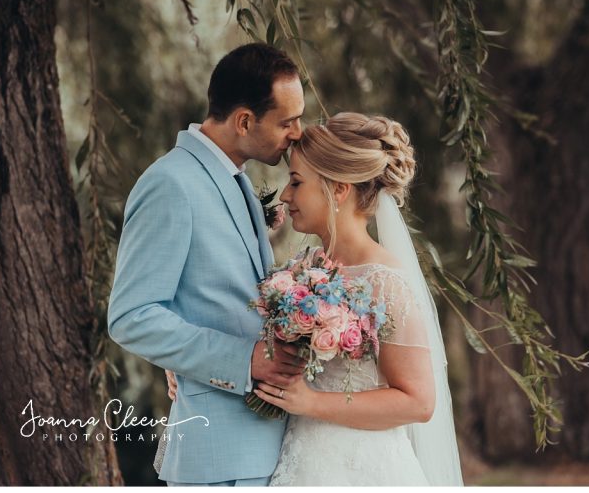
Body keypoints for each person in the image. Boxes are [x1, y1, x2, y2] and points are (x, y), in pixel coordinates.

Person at [166, 112, 465, 486]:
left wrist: (312, 403)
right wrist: (187, 361)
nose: (286, 196)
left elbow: (418, 402)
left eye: (296, 182)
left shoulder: (386, 282)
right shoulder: (303, 268)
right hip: (297, 459)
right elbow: (256, 341)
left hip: (361, 470)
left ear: (338, 189)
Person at [107, 42, 306, 487]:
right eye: (287, 121)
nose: (297, 133)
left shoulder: (235, 180)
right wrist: (244, 359)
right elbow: (131, 317)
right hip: (220, 462)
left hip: (261, 449)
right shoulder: (170, 184)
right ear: (244, 121)